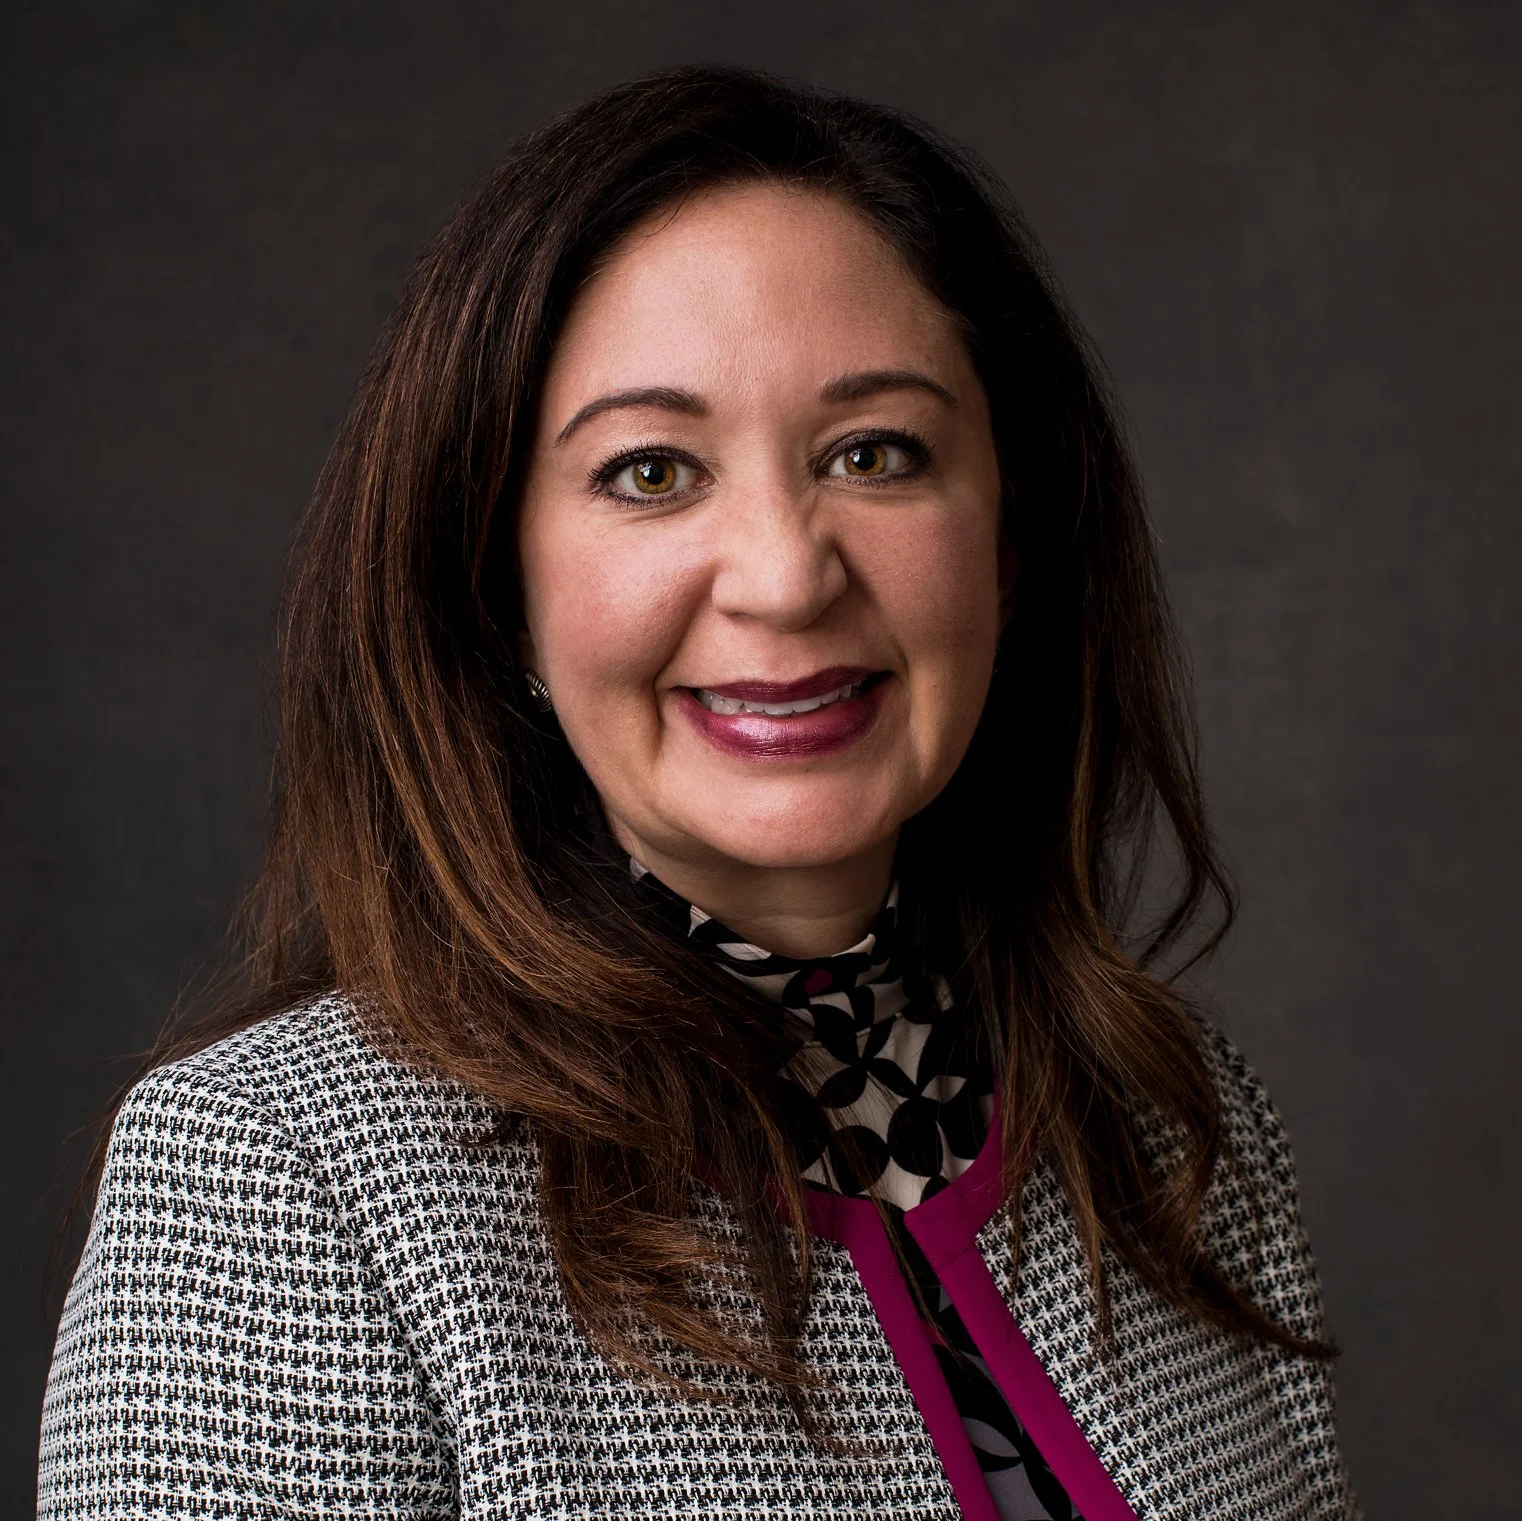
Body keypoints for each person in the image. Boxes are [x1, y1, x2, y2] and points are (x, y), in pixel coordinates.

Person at [37, 66, 1359, 1520]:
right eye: (651, 470)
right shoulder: (279, 1187)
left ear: (1012, 539)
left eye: (874, 454)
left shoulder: (1171, 1130)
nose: (787, 578)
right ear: (494, 580)